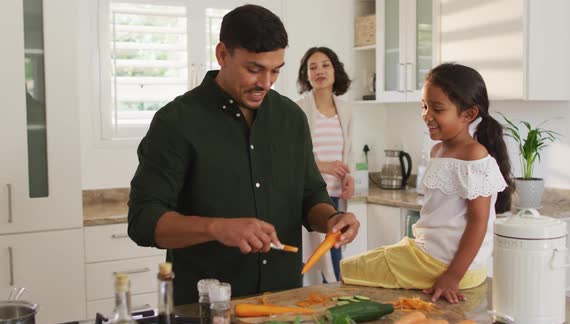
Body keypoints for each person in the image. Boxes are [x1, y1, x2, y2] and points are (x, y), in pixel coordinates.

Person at [127, 4, 360, 305]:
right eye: (254, 69)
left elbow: (310, 194)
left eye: (275, 70)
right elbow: (143, 221)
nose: (265, 82)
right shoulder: (176, 122)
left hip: (284, 303)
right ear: (223, 55)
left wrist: (332, 218)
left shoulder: (291, 118)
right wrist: (217, 227)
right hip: (206, 310)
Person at [340, 63, 513, 304]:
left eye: (438, 109)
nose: (427, 115)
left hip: (444, 265)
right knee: (365, 262)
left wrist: (452, 276)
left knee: (349, 269)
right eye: (424, 106)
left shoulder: (474, 155)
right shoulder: (438, 150)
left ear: (468, 114)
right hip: (429, 256)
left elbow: (479, 222)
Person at [295, 47, 354, 284]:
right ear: (306, 75)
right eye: (313, 67)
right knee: (308, 262)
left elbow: (348, 150)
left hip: (335, 197)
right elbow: (294, 155)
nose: (319, 70)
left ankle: (332, 311)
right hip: (308, 198)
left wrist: (348, 177)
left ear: (335, 70)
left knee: (334, 261)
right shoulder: (298, 109)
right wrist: (323, 166)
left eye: (325, 65)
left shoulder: (347, 110)